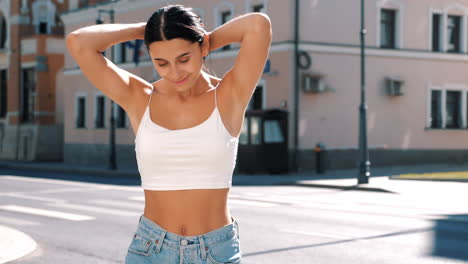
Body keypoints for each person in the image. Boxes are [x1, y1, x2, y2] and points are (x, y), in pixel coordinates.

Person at [66, 4, 271, 264]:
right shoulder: (139, 97)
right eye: (161, 62)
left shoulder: (230, 95)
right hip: (151, 250)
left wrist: (202, 38)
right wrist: (148, 31)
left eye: (184, 58)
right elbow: (79, 43)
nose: (174, 73)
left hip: (215, 252)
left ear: (202, 48)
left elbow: (258, 25)